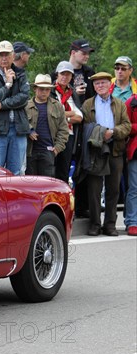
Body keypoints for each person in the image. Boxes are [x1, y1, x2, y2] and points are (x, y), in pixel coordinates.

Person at [81, 72, 131, 236]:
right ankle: (95, 224)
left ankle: (110, 225)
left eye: (102, 83)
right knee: (94, 190)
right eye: (96, 84)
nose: (100, 86)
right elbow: (84, 126)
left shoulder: (119, 104)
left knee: (113, 189)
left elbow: (127, 126)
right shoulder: (87, 104)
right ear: (93, 87)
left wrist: (113, 132)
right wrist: (99, 133)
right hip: (96, 151)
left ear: (110, 85)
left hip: (115, 149)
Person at [0, 40, 30, 175]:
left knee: (16, 172)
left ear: (13, 56)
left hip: (18, 128)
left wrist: (2, 105)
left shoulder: (20, 73)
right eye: (1, 55)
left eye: (7, 55)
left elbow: (24, 97)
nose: (4, 58)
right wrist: (7, 85)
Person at [25, 74, 69, 178]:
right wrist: (28, 131)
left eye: (47, 89)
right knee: (30, 182)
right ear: (35, 89)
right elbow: (20, 123)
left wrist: (57, 148)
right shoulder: (26, 106)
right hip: (29, 151)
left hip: (48, 151)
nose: (44, 92)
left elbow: (64, 129)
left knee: (47, 184)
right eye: (41, 89)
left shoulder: (57, 106)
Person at [51, 61, 83, 183]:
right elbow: (52, 114)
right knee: (51, 168)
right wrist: (70, 114)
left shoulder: (72, 93)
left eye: (68, 75)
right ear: (57, 75)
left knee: (64, 170)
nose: (65, 77)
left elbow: (79, 117)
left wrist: (64, 117)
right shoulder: (50, 91)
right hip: (52, 135)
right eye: (62, 74)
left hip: (68, 136)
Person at [124, 94, 137, 236]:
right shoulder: (131, 102)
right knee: (134, 188)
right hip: (135, 150)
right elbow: (126, 126)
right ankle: (132, 221)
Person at [68, 39, 96, 104]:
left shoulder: (90, 72)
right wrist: (74, 93)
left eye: (88, 54)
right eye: (84, 53)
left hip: (88, 112)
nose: (87, 56)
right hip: (68, 112)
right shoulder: (60, 73)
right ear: (73, 53)